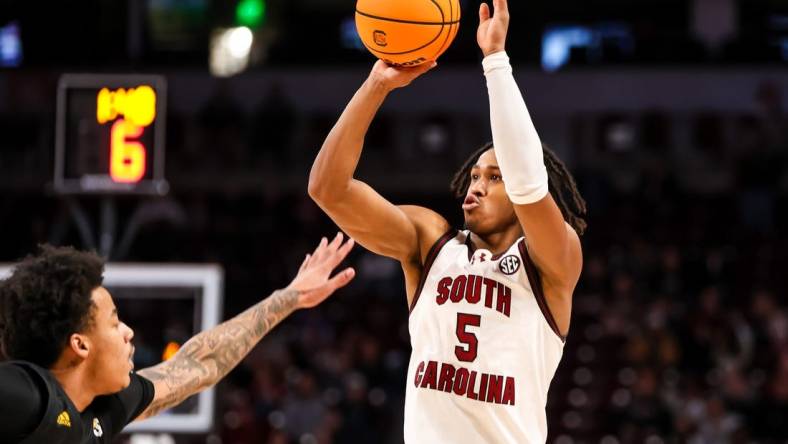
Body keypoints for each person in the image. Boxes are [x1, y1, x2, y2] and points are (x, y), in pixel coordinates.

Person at [308, 0, 586, 441]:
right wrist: (376, 85)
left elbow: (529, 183)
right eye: (474, 176)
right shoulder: (430, 242)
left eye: (494, 178)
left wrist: (495, 62)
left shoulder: (554, 263)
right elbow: (328, 189)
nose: (474, 186)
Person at [0, 234, 355, 443]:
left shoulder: (101, 410)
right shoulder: (27, 395)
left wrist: (288, 298)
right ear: (80, 344)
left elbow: (199, 364)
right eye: (114, 322)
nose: (128, 332)